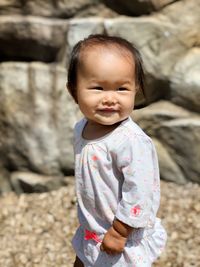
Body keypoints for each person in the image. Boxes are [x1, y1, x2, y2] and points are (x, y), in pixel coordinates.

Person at [66, 34, 167, 267]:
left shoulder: (131, 141)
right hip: (92, 228)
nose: (110, 98)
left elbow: (140, 191)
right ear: (74, 91)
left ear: (135, 90)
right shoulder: (81, 128)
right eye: (98, 88)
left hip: (119, 234)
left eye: (122, 89)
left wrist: (120, 231)